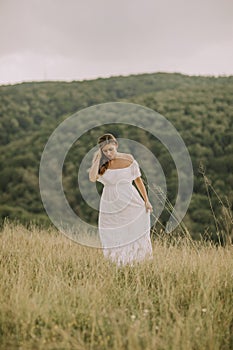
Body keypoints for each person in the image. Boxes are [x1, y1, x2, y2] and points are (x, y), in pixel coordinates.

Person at [89, 133, 153, 266]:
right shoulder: (101, 162)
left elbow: (138, 180)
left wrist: (146, 200)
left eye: (110, 149)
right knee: (111, 232)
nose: (108, 153)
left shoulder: (128, 159)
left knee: (133, 231)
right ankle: (117, 263)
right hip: (110, 202)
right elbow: (92, 177)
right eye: (105, 151)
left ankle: (136, 263)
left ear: (116, 145)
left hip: (130, 198)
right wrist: (98, 158)